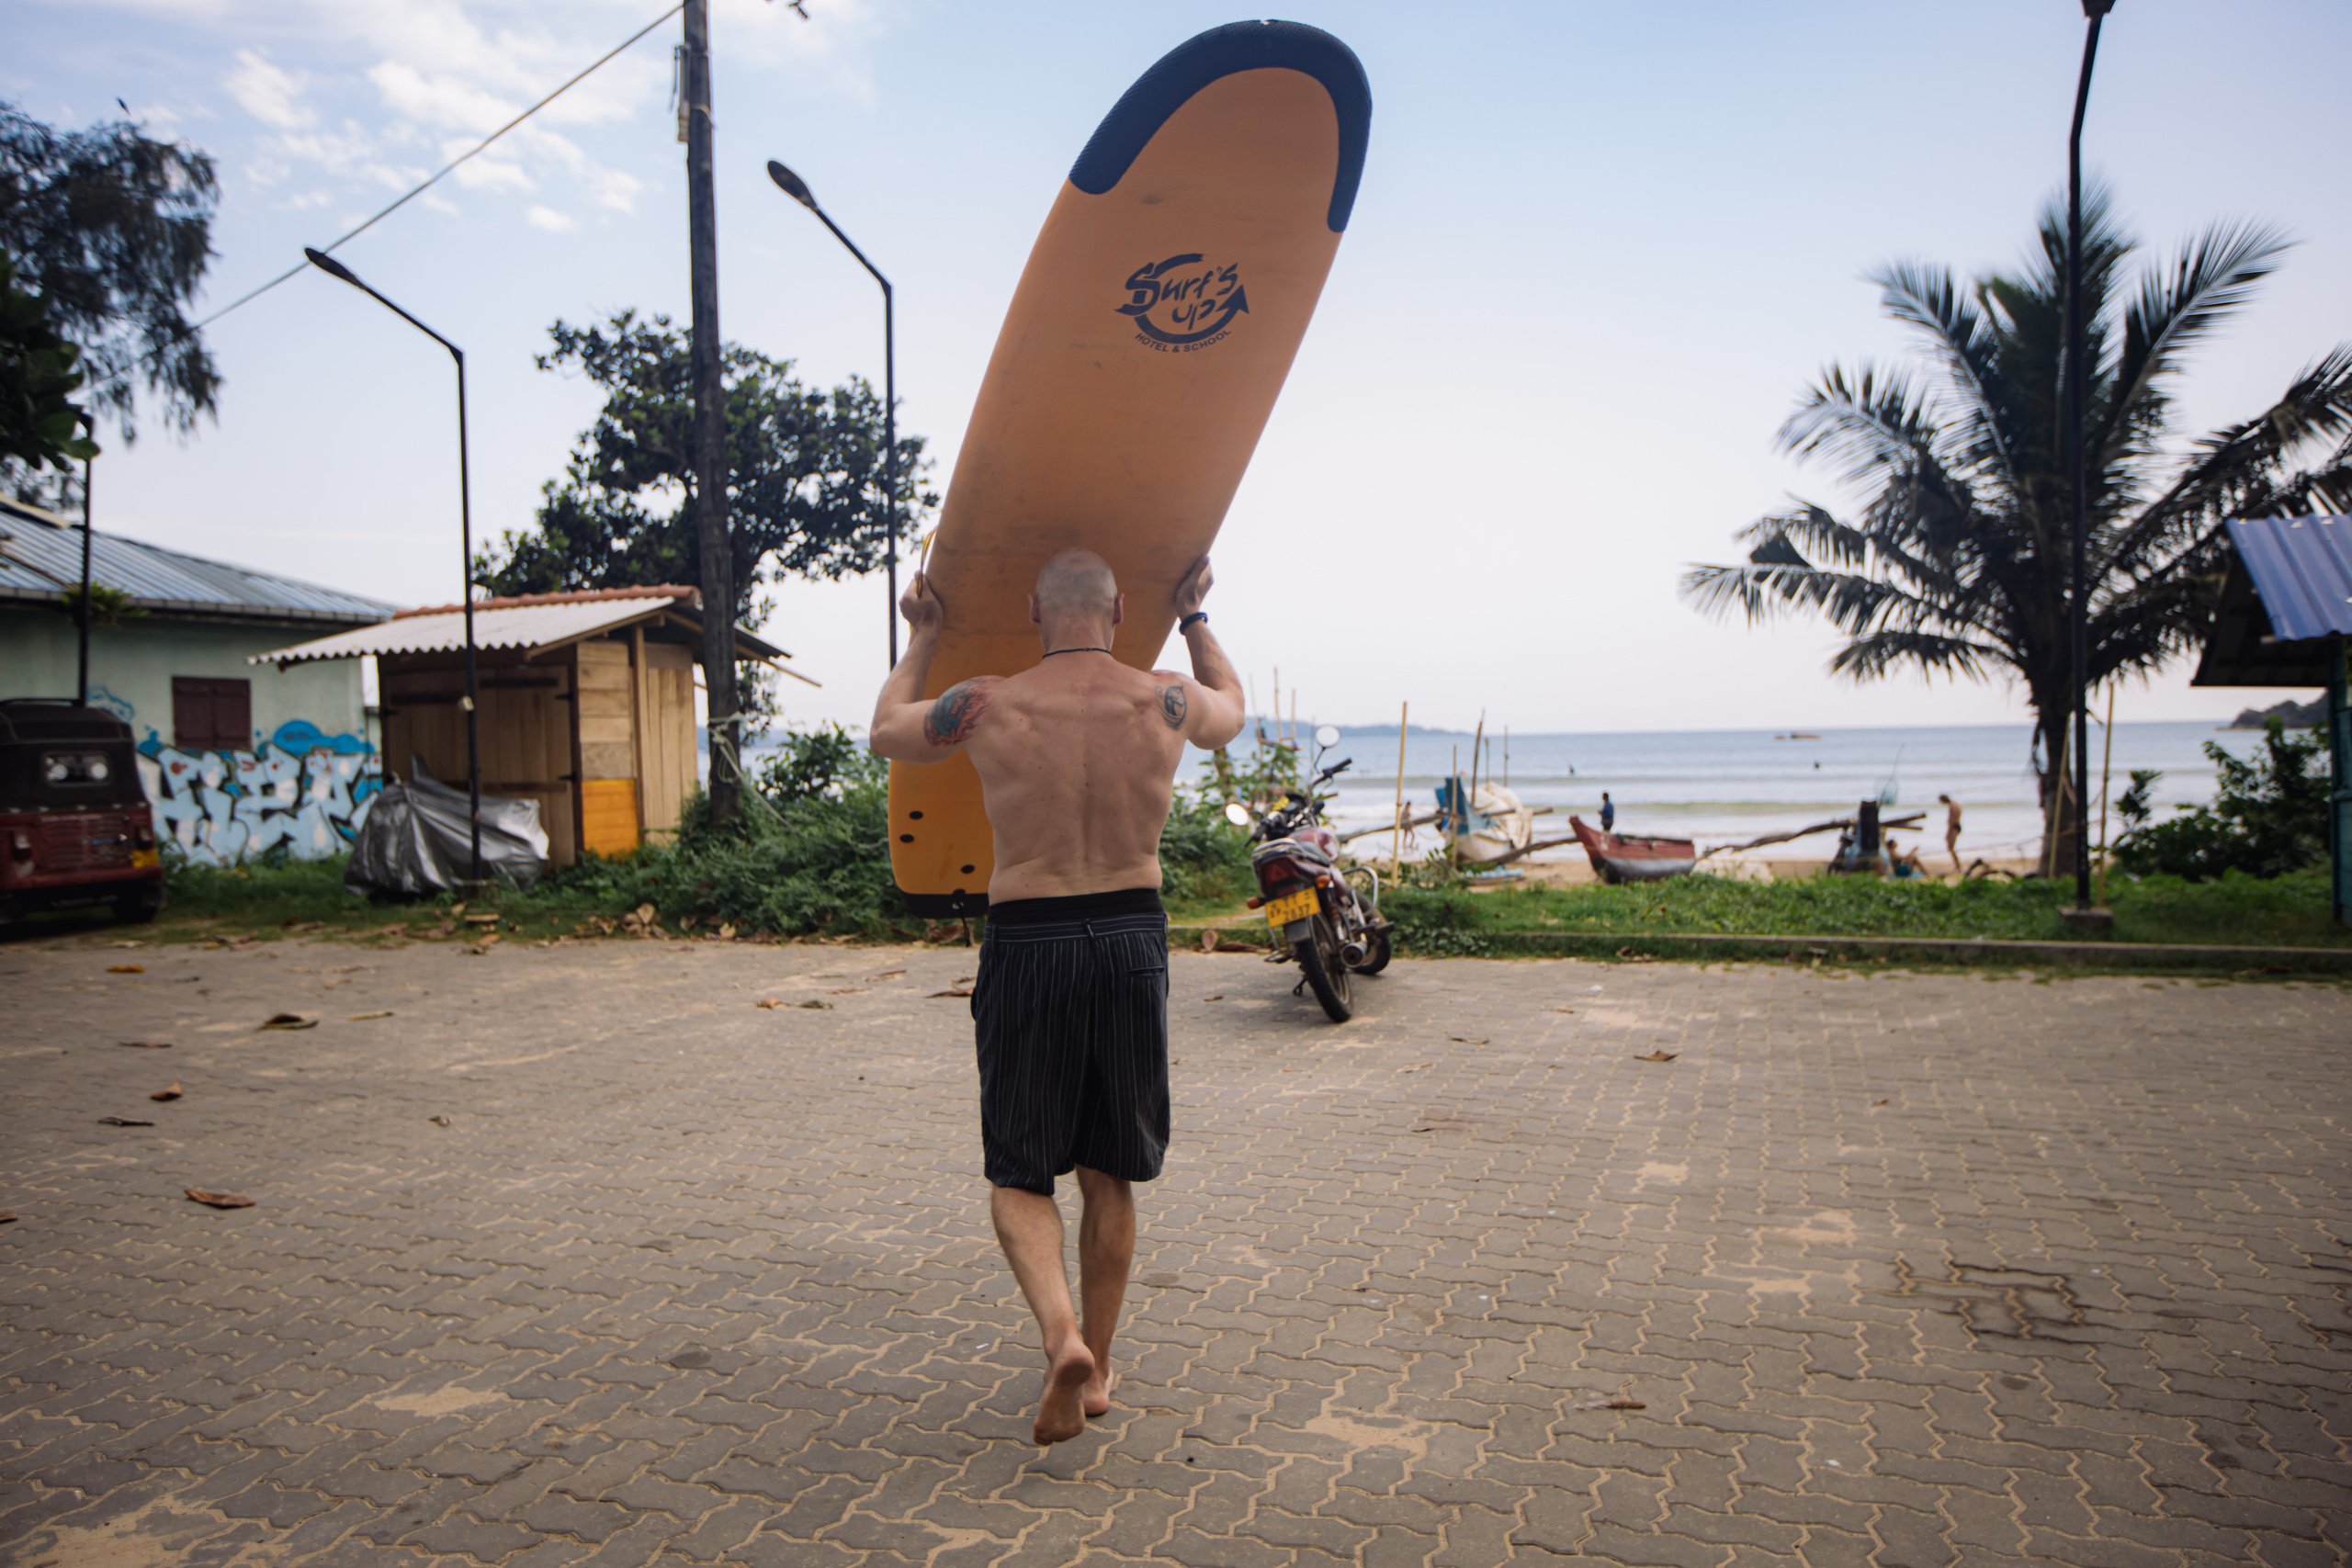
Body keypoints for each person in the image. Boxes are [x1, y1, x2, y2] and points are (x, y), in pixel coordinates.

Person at [868, 547, 1247, 1446]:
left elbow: (887, 730)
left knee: (1018, 1170)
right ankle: (1101, 1369)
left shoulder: (991, 702)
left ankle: (1059, 1336)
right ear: (1116, 610)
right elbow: (1231, 712)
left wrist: (922, 635)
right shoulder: (1161, 696)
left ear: (1037, 612)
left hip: (1029, 936)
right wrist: (1194, 616)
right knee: (1107, 1168)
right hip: (1128, 937)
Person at [1938, 793, 1963, 874]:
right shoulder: (1955, 803)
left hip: (1954, 827)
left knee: (1951, 847)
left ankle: (1958, 866)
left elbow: (1952, 820)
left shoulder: (1953, 806)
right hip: (1955, 826)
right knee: (1951, 848)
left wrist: (1948, 833)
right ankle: (1957, 866)